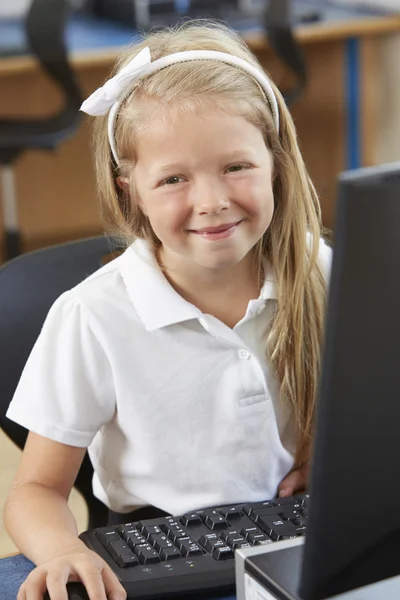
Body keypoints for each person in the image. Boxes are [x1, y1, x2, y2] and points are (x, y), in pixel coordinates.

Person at [3, 20, 331, 600]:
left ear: (275, 161)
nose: (212, 201)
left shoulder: (319, 269)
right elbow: (36, 491)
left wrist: (330, 453)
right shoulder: (93, 316)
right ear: (130, 189)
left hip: (302, 540)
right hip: (160, 561)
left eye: (236, 166)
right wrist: (62, 554)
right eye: (174, 178)